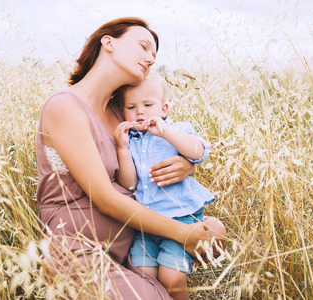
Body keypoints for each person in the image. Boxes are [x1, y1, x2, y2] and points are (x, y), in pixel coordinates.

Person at [35, 17, 226, 299]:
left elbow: (161, 150)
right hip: (82, 249)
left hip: (135, 244)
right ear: (108, 43)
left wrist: (187, 167)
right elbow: (105, 199)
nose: (150, 58)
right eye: (143, 46)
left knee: (216, 231)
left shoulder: (124, 112)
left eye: (154, 54)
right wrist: (183, 234)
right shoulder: (65, 107)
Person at [113, 71, 216, 300]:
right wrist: (122, 148)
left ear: (164, 109)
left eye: (148, 105)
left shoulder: (177, 129)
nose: (139, 112)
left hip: (181, 218)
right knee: (143, 276)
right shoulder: (130, 140)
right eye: (131, 107)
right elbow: (129, 184)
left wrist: (167, 132)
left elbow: (198, 153)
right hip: (147, 223)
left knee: (171, 277)